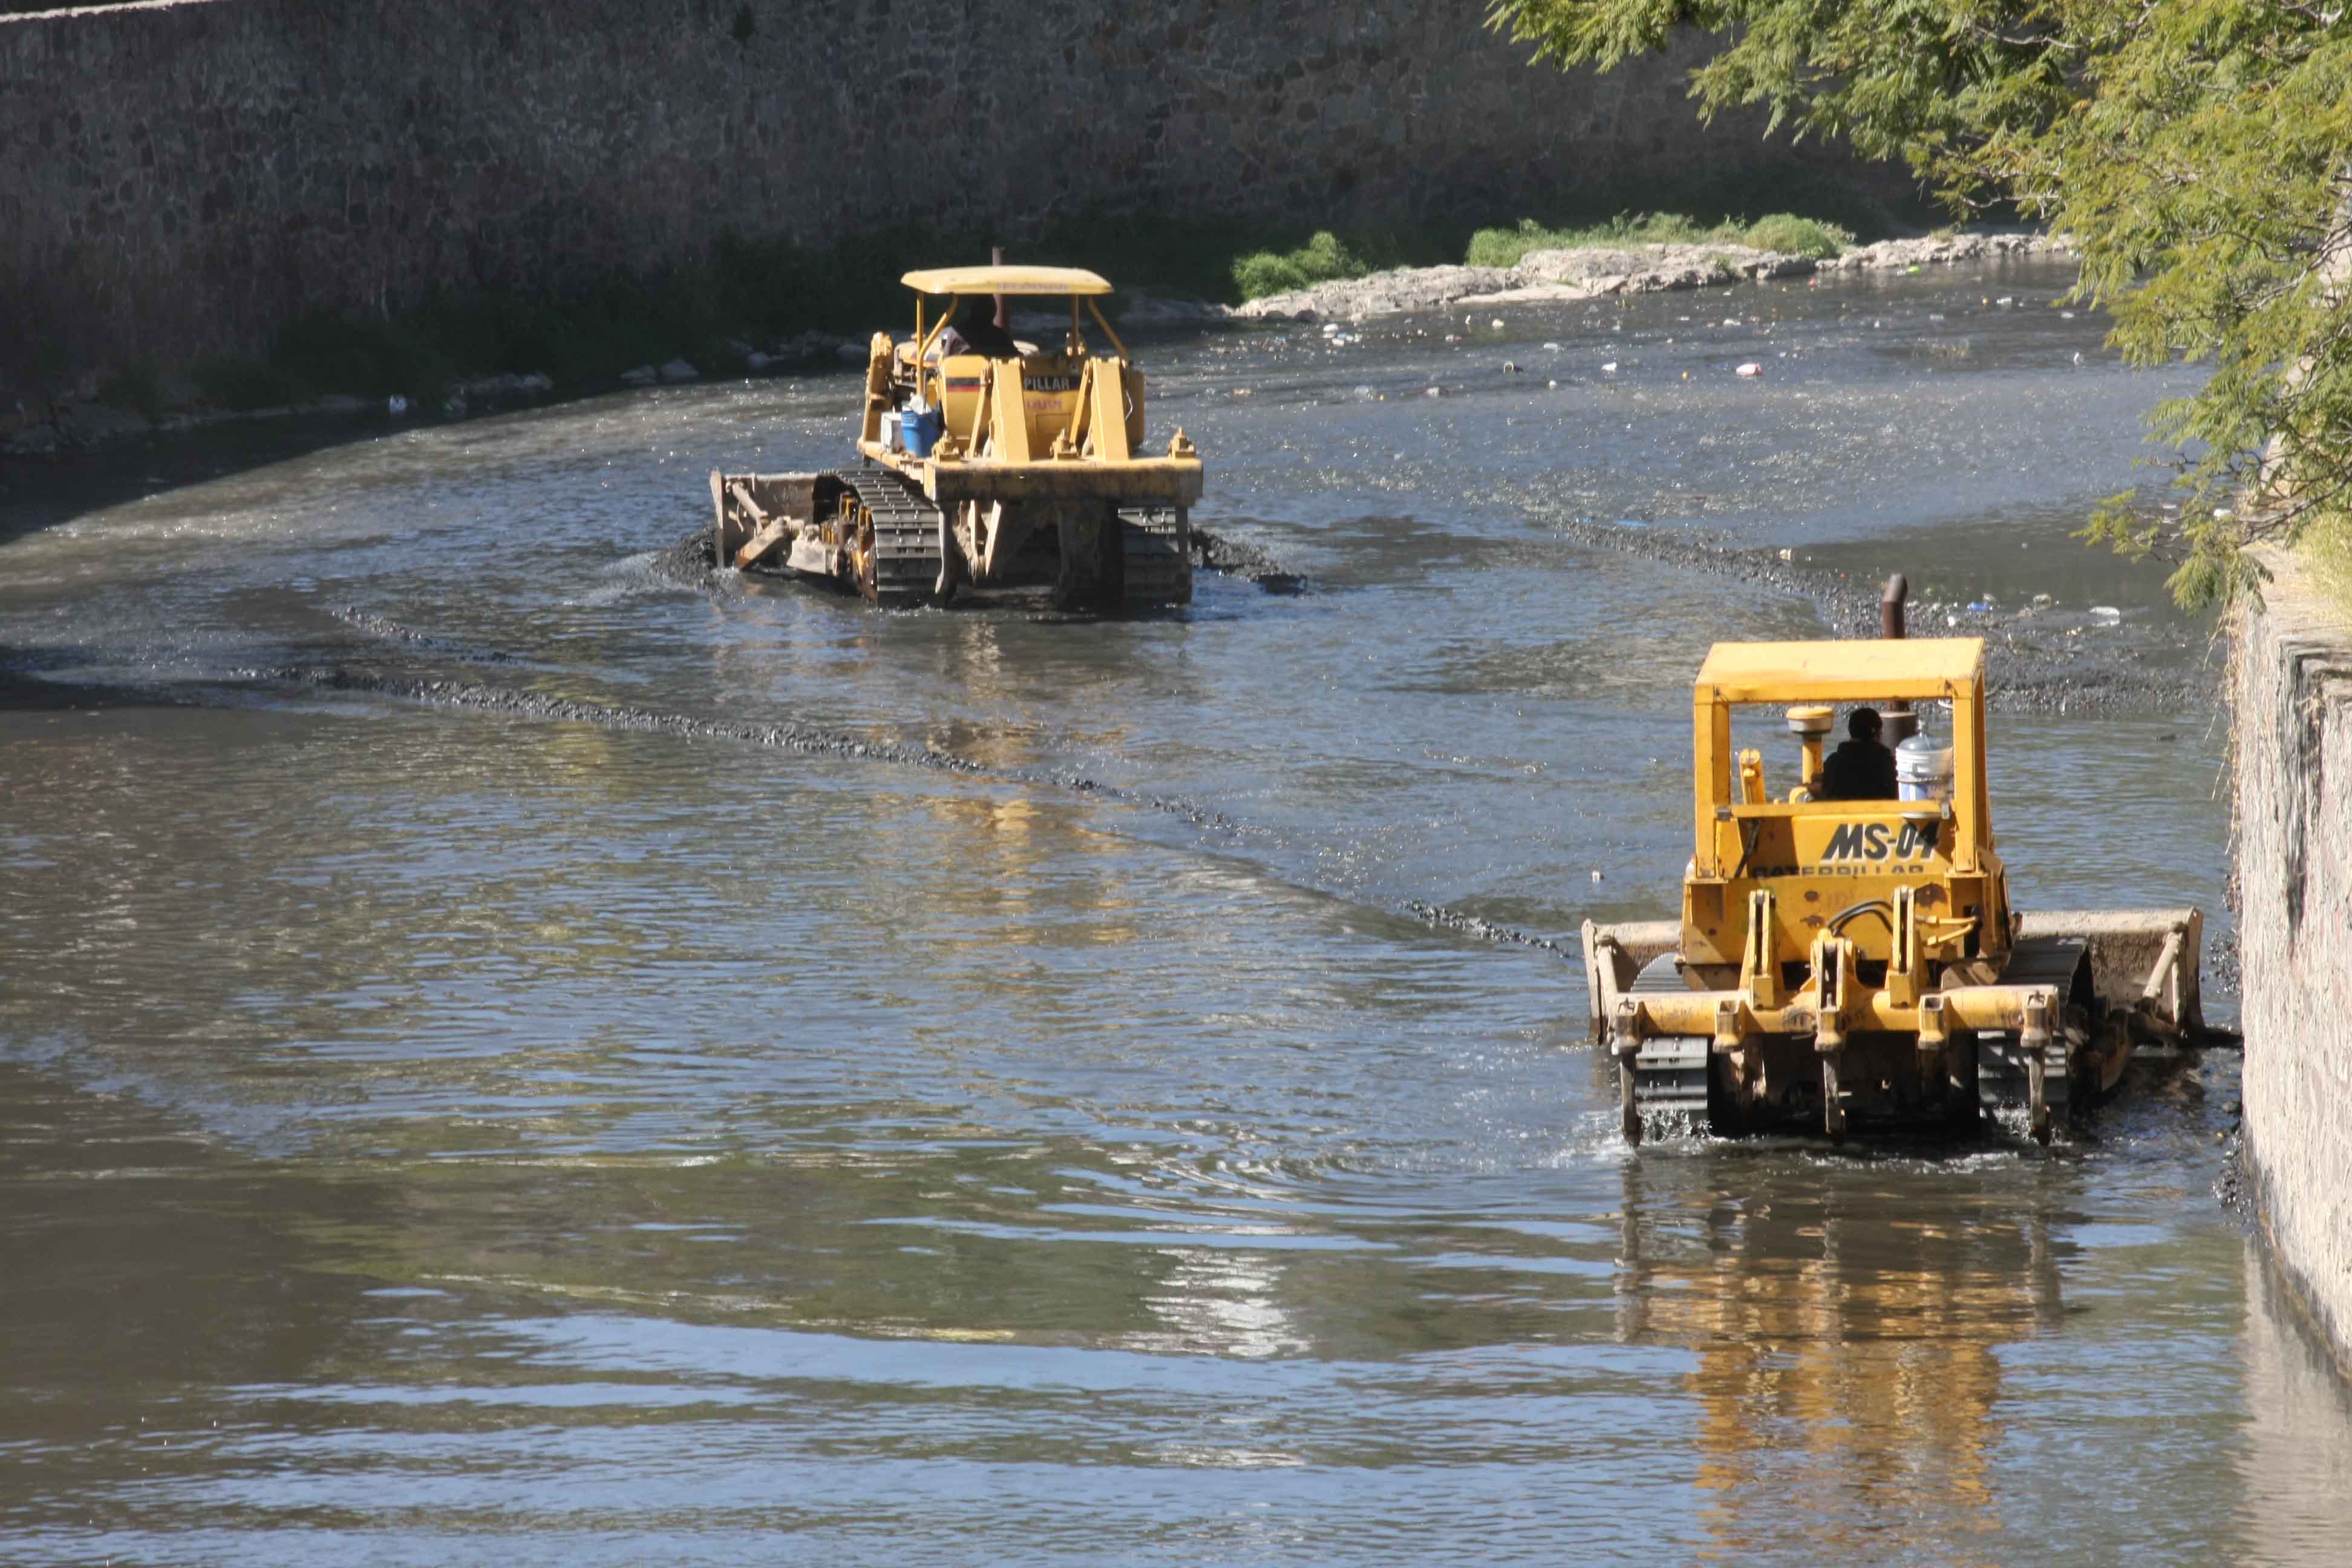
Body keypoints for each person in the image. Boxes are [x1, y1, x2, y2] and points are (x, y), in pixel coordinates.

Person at [1817, 706, 1898, 800]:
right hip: (1881, 813)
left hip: (1841, 813)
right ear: (1877, 734)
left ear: (1851, 731)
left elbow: (1827, 792)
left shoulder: (1833, 762)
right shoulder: (1889, 764)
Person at [937, 297, 1019, 359]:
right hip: (995, 381)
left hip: (958, 380)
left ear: (972, 310)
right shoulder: (1001, 336)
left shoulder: (955, 333)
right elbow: (1016, 357)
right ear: (993, 312)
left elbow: (946, 360)